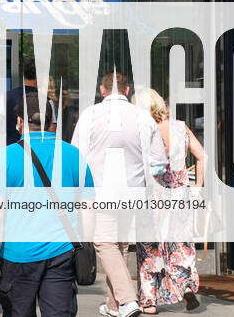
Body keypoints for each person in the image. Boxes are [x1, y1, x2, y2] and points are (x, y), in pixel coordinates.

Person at [0, 92, 95, 317]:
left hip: (19, 255)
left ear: (19, 122)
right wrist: (83, 246)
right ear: (51, 122)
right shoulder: (74, 155)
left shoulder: (5, 158)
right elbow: (88, 209)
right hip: (62, 253)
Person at [71, 71, 168, 317]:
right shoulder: (143, 117)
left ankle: (127, 300)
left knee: (104, 242)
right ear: (127, 91)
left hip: (100, 191)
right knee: (120, 245)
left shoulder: (90, 115)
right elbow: (159, 163)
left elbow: (75, 156)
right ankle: (114, 305)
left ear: (102, 91)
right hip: (133, 193)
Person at [132, 88, 205, 314]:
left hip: (152, 196)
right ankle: (186, 287)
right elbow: (202, 155)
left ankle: (149, 301)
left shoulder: (142, 130)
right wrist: (197, 187)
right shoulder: (180, 127)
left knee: (150, 248)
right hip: (179, 194)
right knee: (180, 244)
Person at [0, 61, 38, 159]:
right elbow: (52, 132)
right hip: (38, 156)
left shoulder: (7, 97)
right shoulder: (47, 102)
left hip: (12, 155)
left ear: (23, 74)